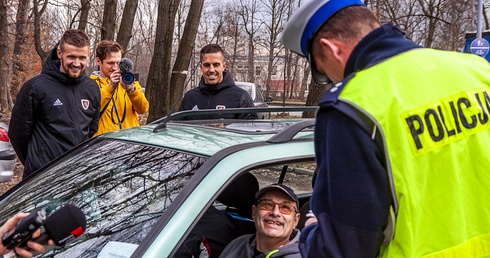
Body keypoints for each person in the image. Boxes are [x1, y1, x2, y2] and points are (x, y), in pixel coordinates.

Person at [282, 0, 490, 257]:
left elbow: (345, 246)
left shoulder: (351, 105)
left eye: (322, 74)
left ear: (330, 48)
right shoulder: (477, 69)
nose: (330, 81)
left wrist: (312, 231)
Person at [9, 29, 100, 178]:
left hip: (78, 176)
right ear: (59, 53)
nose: (77, 63)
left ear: (88, 56)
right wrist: (35, 163)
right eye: (71, 57)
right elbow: (18, 134)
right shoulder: (35, 87)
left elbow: (91, 129)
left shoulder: (92, 88)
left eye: (82, 58)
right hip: (43, 179)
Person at [219, 183, 301, 258]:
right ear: (254, 212)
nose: (275, 213)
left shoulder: (303, 255)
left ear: (295, 220)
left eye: (285, 207)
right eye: (267, 204)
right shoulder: (237, 244)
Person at [179, 44, 257, 120]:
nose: (211, 70)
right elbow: (178, 129)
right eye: (207, 65)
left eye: (216, 65)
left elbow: (252, 128)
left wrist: (227, 128)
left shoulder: (241, 97)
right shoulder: (190, 97)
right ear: (201, 67)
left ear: (223, 66)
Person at [90, 40, 149, 136]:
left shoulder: (128, 80)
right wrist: (110, 87)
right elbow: (91, 111)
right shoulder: (91, 84)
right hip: (103, 144)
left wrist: (131, 90)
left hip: (129, 142)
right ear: (98, 61)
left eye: (118, 63)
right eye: (110, 63)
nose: (115, 67)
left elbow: (143, 109)